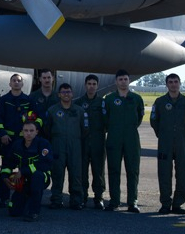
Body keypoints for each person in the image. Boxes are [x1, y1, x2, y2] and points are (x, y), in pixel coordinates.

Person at [149, 73, 185, 215]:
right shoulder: (160, 102)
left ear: (180, 83)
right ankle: (165, 203)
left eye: (176, 82)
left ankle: (177, 204)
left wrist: (181, 134)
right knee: (164, 173)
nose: (173, 84)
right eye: (170, 82)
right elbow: (154, 121)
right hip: (165, 142)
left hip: (181, 143)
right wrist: (162, 134)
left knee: (182, 174)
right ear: (166, 84)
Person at [102, 69, 145, 212]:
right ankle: (114, 201)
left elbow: (139, 117)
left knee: (133, 170)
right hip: (114, 138)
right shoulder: (109, 99)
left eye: (125, 79)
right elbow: (105, 118)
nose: (123, 82)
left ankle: (132, 202)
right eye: (120, 79)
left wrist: (129, 128)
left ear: (129, 80)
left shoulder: (136, 98)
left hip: (131, 138)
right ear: (116, 82)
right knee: (114, 169)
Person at [0, 73, 36, 208]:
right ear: (10, 84)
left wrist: (30, 135)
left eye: (19, 81)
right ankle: (4, 198)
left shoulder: (28, 100)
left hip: (24, 141)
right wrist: (2, 134)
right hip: (8, 140)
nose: (16, 83)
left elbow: (35, 118)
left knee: (24, 169)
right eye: (14, 81)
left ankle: (25, 195)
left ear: (22, 84)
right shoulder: (4, 100)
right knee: (6, 169)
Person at [44, 84, 89, 210]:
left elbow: (85, 130)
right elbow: (47, 129)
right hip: (57, 145)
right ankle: (57, 200)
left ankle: (76, 201)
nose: (66, 94)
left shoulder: (79, 111)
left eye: (68, 92)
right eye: (63, 92)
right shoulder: (52, 110)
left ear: (72, 94)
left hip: (75, 146)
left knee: (76, 174)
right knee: (57, 174)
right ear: (59, 94)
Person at [4, 121, 53, 222]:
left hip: (41, 178)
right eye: (26, 130)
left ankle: (33, 212)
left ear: (37, 132)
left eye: (31, 130)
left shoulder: (44, 144)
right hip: (23, 180)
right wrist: (5, 177)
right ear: (22, 132)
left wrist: (23, 171)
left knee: (37, 178)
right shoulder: (17, 145)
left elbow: (44, 164)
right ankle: (25, 200)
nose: (28, 133)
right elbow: (8, 162)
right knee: (14, 212)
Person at [76, 74, 107, 209]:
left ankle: (98, 197)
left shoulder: (102, 103)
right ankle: (82, 197)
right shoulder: (78, 103)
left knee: (98, 171)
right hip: (82, 142)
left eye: (94, 84)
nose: (91, 86)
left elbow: (107, 121)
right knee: (82, 171)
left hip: (97, 142)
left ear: (97, 86)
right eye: (89, 84)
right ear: (85, 85)